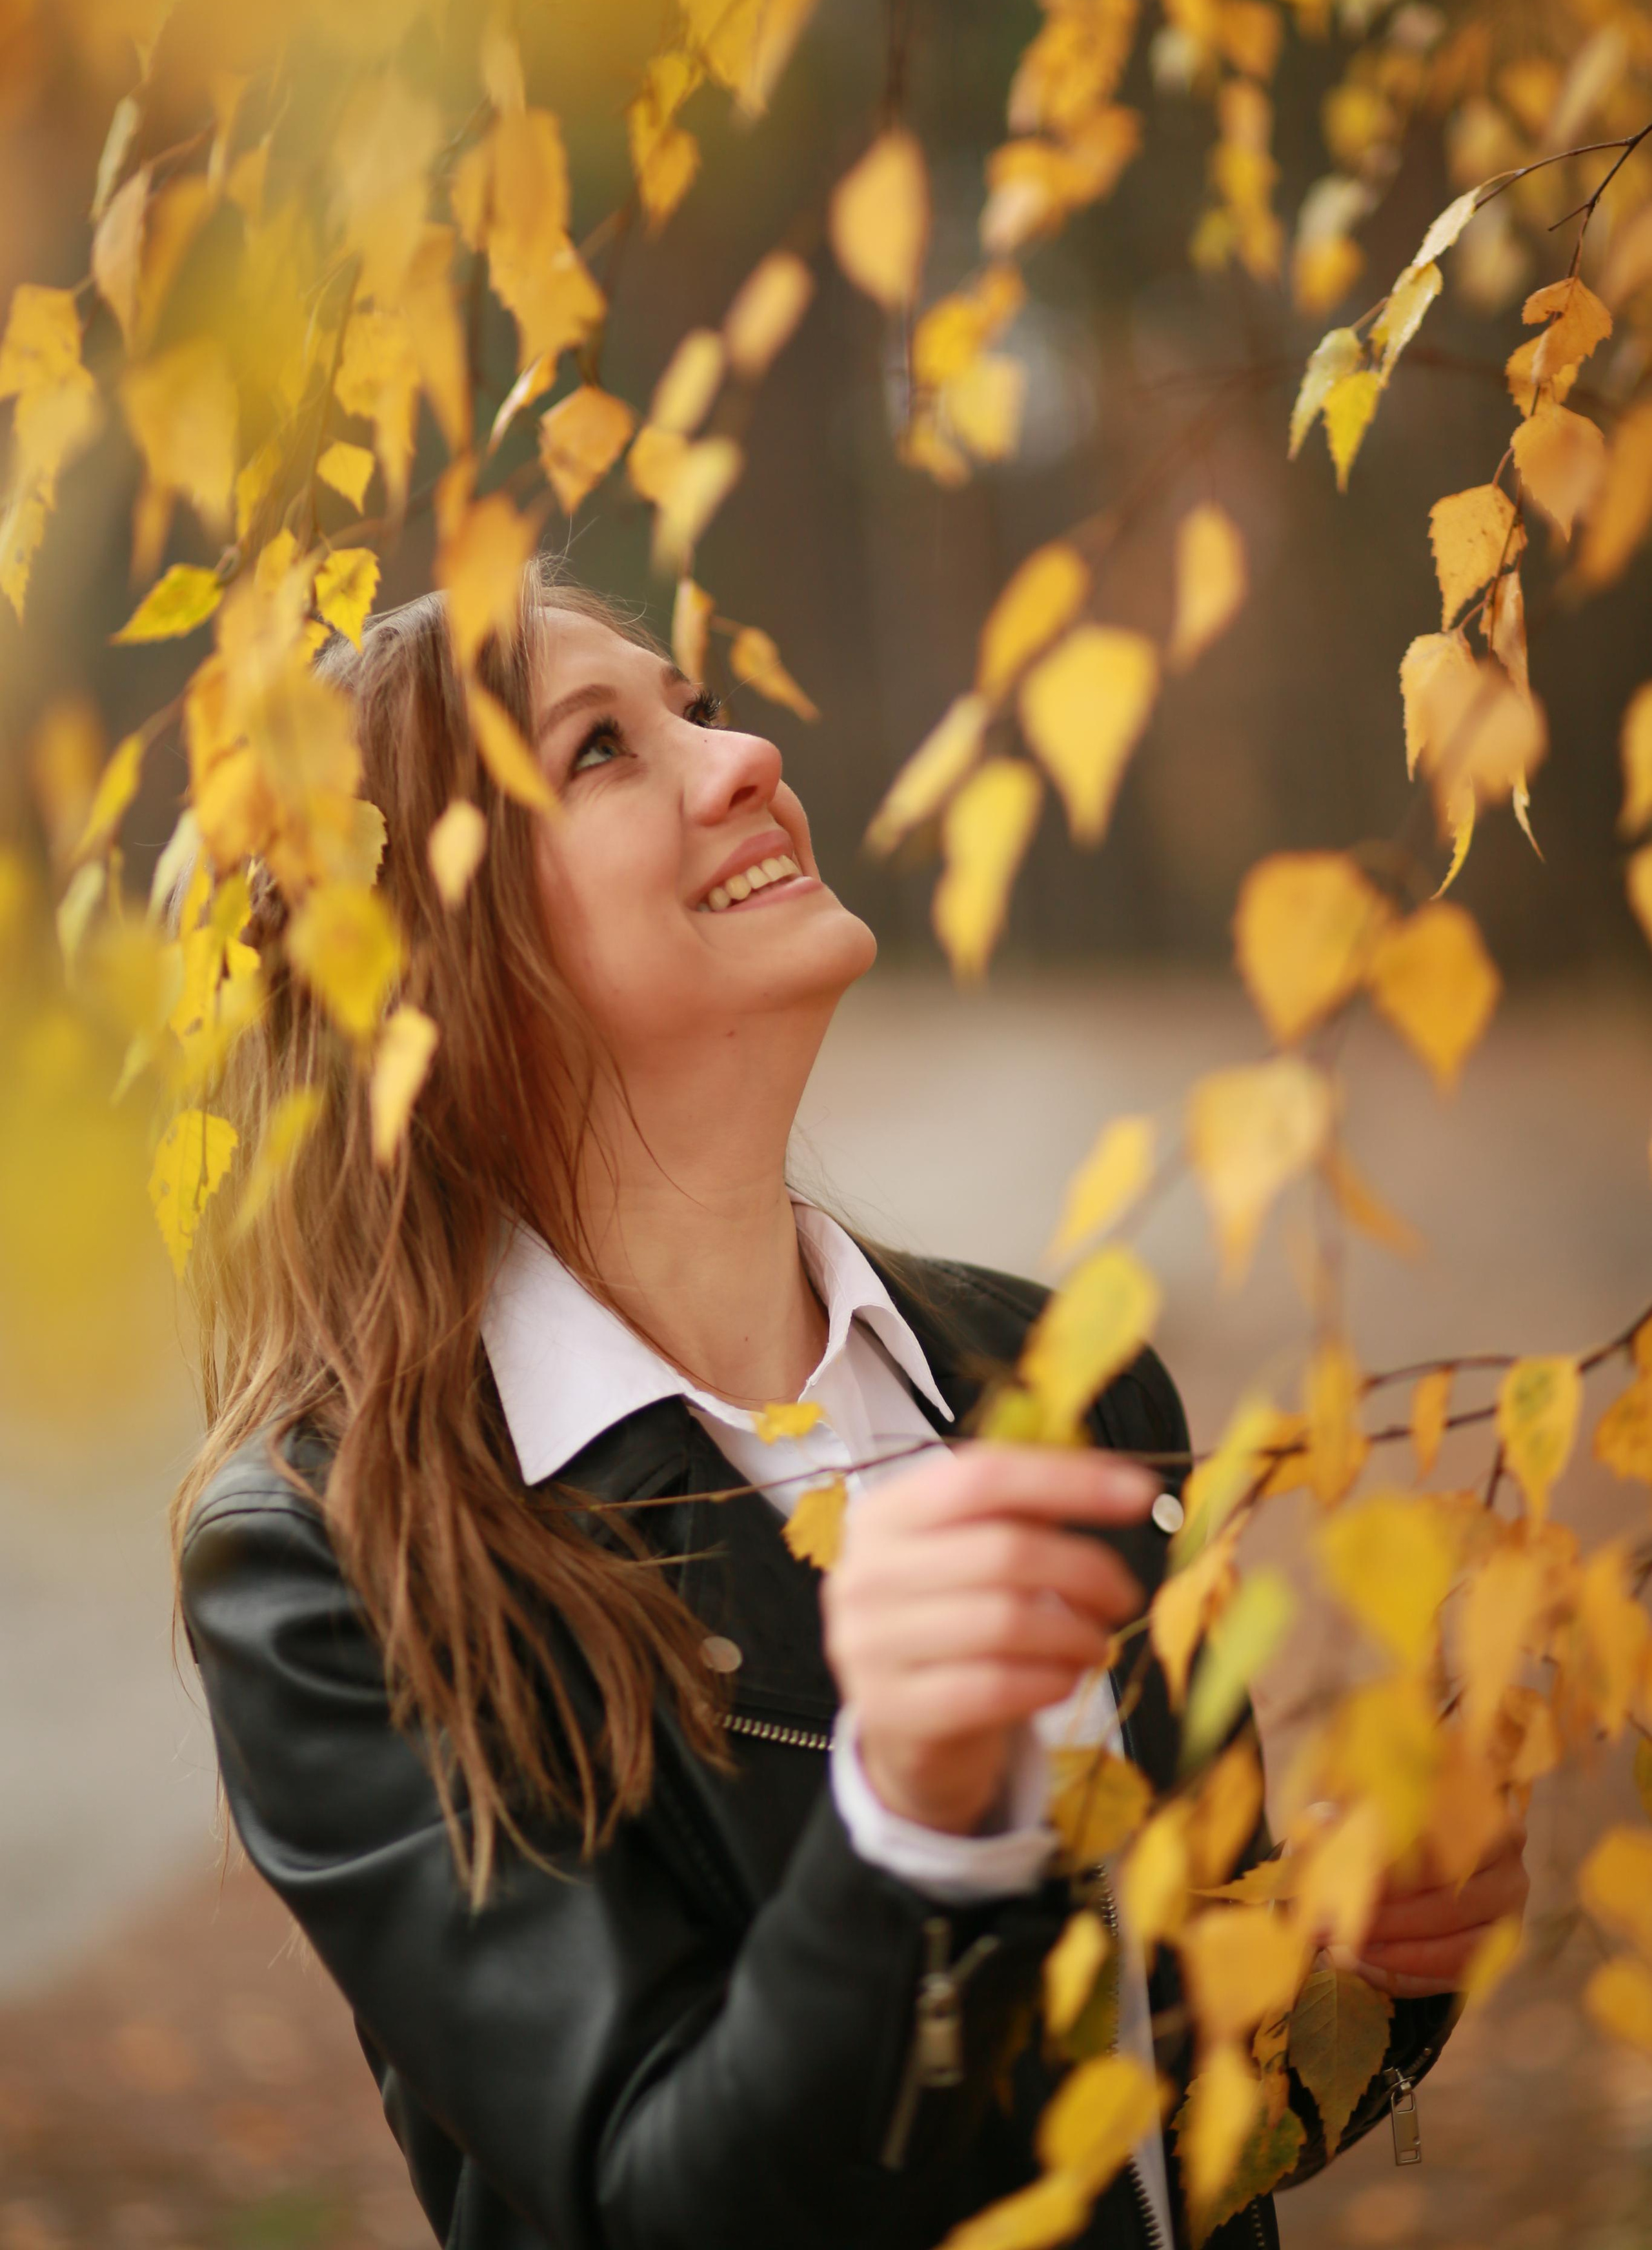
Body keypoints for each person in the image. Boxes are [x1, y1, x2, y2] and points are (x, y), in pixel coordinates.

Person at [177, 567, 1526, 2250]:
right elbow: (656, 2198)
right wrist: (906, 1820)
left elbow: (1146, 2134)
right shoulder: (334, 1557)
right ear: (435, 967)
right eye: (600, 748)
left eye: (697, 709)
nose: (743, 757)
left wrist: (1354, 1974)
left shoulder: (1060, 1381)